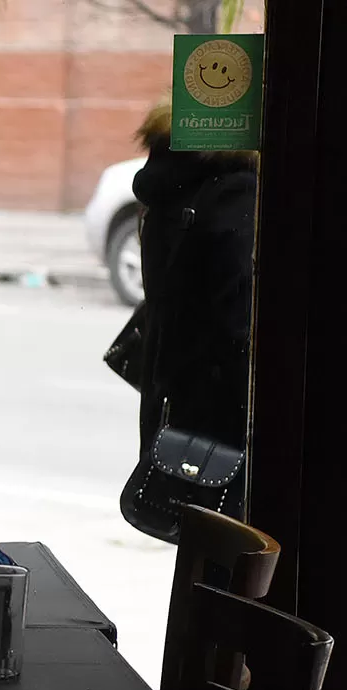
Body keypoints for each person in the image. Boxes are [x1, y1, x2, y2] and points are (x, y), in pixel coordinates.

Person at [131, 99, 256, 467]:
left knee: (190, 520)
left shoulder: (173, 181)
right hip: (221, 424)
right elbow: (241, 323)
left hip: (175, 408)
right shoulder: (236, 194)